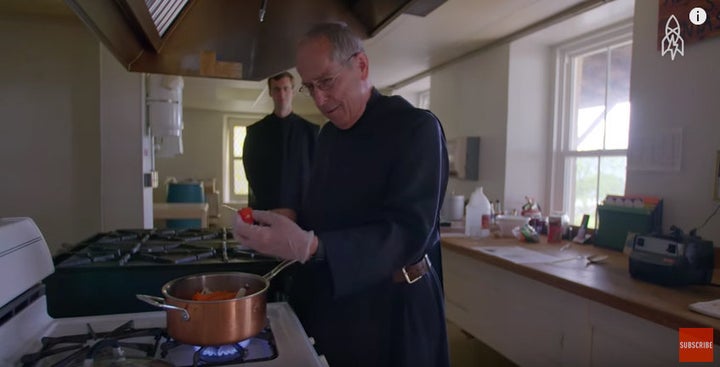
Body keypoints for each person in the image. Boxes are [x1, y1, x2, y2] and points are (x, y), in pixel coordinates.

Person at [234, 22, 450, 367]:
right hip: (344, 302)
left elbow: (408, 233)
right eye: (309, 87)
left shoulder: (415, 129)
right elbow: (323, 215)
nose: (319, 99)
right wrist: (278, 225)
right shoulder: (329, 137)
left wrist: (312, 246)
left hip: (398, 308)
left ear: (361, 66)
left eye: (327, 81)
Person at [242, 71, 318, 218]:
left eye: (285, 89)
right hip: (267, 212)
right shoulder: (255, 133)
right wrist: (272, 209)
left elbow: (316, 176)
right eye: (276, 89)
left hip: (302, 216)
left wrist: (294, 210)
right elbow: (251, 174)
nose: (281, 95)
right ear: (270, 92)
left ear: (293, 91)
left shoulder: (310, 133)